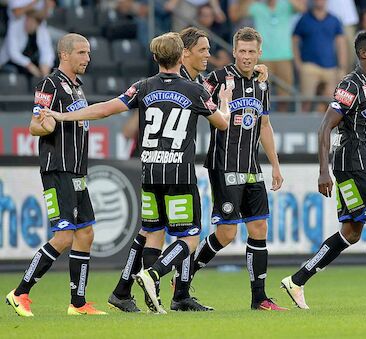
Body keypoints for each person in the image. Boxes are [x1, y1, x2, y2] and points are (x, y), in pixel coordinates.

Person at [43, 32, 231, 314]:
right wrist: (225, 101)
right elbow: (222, 124)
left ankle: (150, 299)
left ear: (154, 57)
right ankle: (153, 274)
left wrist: (63, 116)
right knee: (189, 238)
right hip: (179, 174)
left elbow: (105, 110)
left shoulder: (142, 87)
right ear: (181, 56)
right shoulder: (195, 91)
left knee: (153, 233)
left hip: (150, 173)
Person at [280, 31, 366, 310]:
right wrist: (323, 171)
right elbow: (325, 126)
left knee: (352, 231)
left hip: (362, 163)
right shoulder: (350, 85)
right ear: (363, 54)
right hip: (354, 165)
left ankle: (297, 280)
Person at [183, 27, 287, 311]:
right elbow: (190, 94)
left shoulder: (262, 84)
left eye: (251, 52)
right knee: (227, 233)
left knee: (259, 227)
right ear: (233, 51)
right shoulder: (217, 79)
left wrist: (275, 165)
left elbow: (264, 125)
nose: (246, 57)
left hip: (252, 166)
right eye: (241, 51)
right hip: (223, 164)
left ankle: (260, 299)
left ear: (259, 53)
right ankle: (185, 276)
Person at [5, 33, 106, 317]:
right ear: (65, 54)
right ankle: (20, 292)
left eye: (88, 53)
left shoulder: (77, 87)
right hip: (57, 169)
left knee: (85, 233)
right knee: (63, 237)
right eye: (82, 53)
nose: (87, 58)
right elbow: (34, 126)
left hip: (77, 170)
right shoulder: (49, 83)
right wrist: (46, 124)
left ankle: (78, 303)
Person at [293, 0, 347, 112]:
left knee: (331, 102)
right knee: (306, 102)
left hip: (330, 67)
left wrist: (342, 67)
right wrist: (298, 63)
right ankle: (303, 126)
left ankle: (323, 128)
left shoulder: (334, 20)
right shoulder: (304, 19)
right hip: (309, 66)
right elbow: (294, 41)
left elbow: (341, 45)